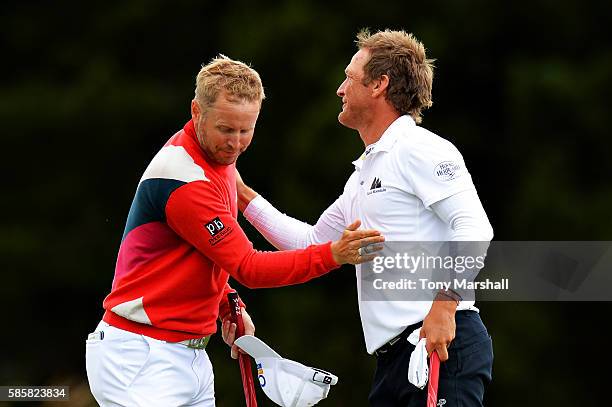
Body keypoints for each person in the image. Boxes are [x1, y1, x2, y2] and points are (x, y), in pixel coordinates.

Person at [85, 55, 384, 407]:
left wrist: (227, 303)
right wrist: (333, 255)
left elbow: (197, 254)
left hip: (187, 354)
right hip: (141, 357)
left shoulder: (217, 160)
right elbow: (250, 268)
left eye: (246, 130)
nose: (236, 143)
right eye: (226, 129)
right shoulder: (186, 181)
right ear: (197, 112)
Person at [236, 29, 494, 406]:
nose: (340, 89)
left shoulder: (419, 148)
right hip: (395, 361)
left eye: (349, 78)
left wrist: (446, 303)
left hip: (439, 343)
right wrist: (241, 194)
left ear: (379, 84)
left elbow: (475, 227)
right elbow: (310, 243)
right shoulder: (363, 176)